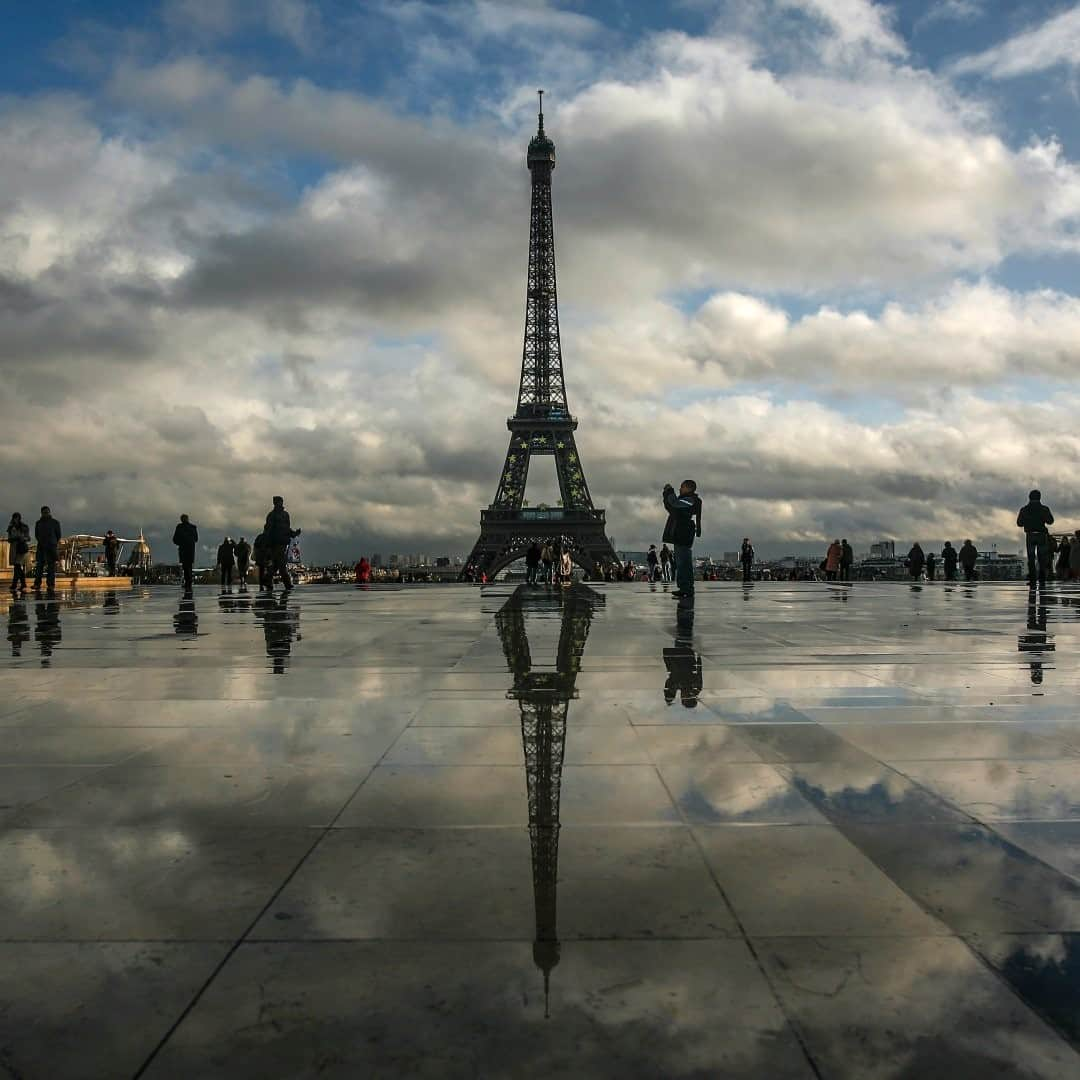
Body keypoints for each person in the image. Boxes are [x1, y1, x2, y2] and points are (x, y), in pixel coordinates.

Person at [662, 480, 701, 599]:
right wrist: (667, 494)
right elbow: (672, 506)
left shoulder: (690, 500)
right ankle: (684, 588)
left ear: (689, 488)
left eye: (682, 487)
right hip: (681, 533)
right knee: (681, 562)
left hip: (683, 533)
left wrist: (669, 491)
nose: (680, 489)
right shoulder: (689, 500)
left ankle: (687, 589)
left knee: (683, 562)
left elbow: (674, 504)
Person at [1017, 490, 1054, 587]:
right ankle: (1042, 578)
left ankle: (1032, 579)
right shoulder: (1044, 509)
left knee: (1031, 558)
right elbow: (1050, 521)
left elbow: (1019, 523)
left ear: (1029, 497)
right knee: (1042, 558)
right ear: (1039, 497)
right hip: (1041, 535)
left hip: (1030, 535)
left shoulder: (1024, 509)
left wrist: (1027, 521)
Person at [264, 496, 301, 592]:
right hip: (276, 543)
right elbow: (268, 530)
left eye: (281, 502)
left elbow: (287, 528)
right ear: (275, 503)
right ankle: (287, 584)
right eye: (279, 502)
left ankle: (267, 580)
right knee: (281, 564)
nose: (280, 503)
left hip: (283, 543)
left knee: (276, 564)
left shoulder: (285, 515)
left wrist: (294, 533)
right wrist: (268, 544)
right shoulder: (272, 516)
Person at [33, 506, 62, 592]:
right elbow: (36, 535)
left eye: (47, 512)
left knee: (50, 567)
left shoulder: (55, 522)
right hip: (43, 546)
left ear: (49, 512)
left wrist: (52, 542)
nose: (45, 514)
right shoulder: (38, 523)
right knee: (40, 566)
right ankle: (38, 584)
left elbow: (58, 535)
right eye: (44, 512)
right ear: (41, 513)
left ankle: (50, 585)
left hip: (50, 546)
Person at [172, 514, 198, 592]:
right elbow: (196, 539)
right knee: (189, 566)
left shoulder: (179, 527)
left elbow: (175, 539)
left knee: (185, 567)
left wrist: (181, 543)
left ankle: (188, 582)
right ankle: (189, 582)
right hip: (190, 550)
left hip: (183, 549)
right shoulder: (193, 527)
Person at [7, 513, 30, 596]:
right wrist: (13, 538)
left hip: (21, 548)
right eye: (14, 518)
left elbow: (28, 538)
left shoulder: (24, 526)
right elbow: (9, 539)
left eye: (17, 518)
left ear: (19, 518)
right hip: (14, 548)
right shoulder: (10, 527)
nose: (15, 519)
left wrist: (22, 538)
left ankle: (16, 584)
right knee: (16, 567)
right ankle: (20, 584)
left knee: (17, 565)